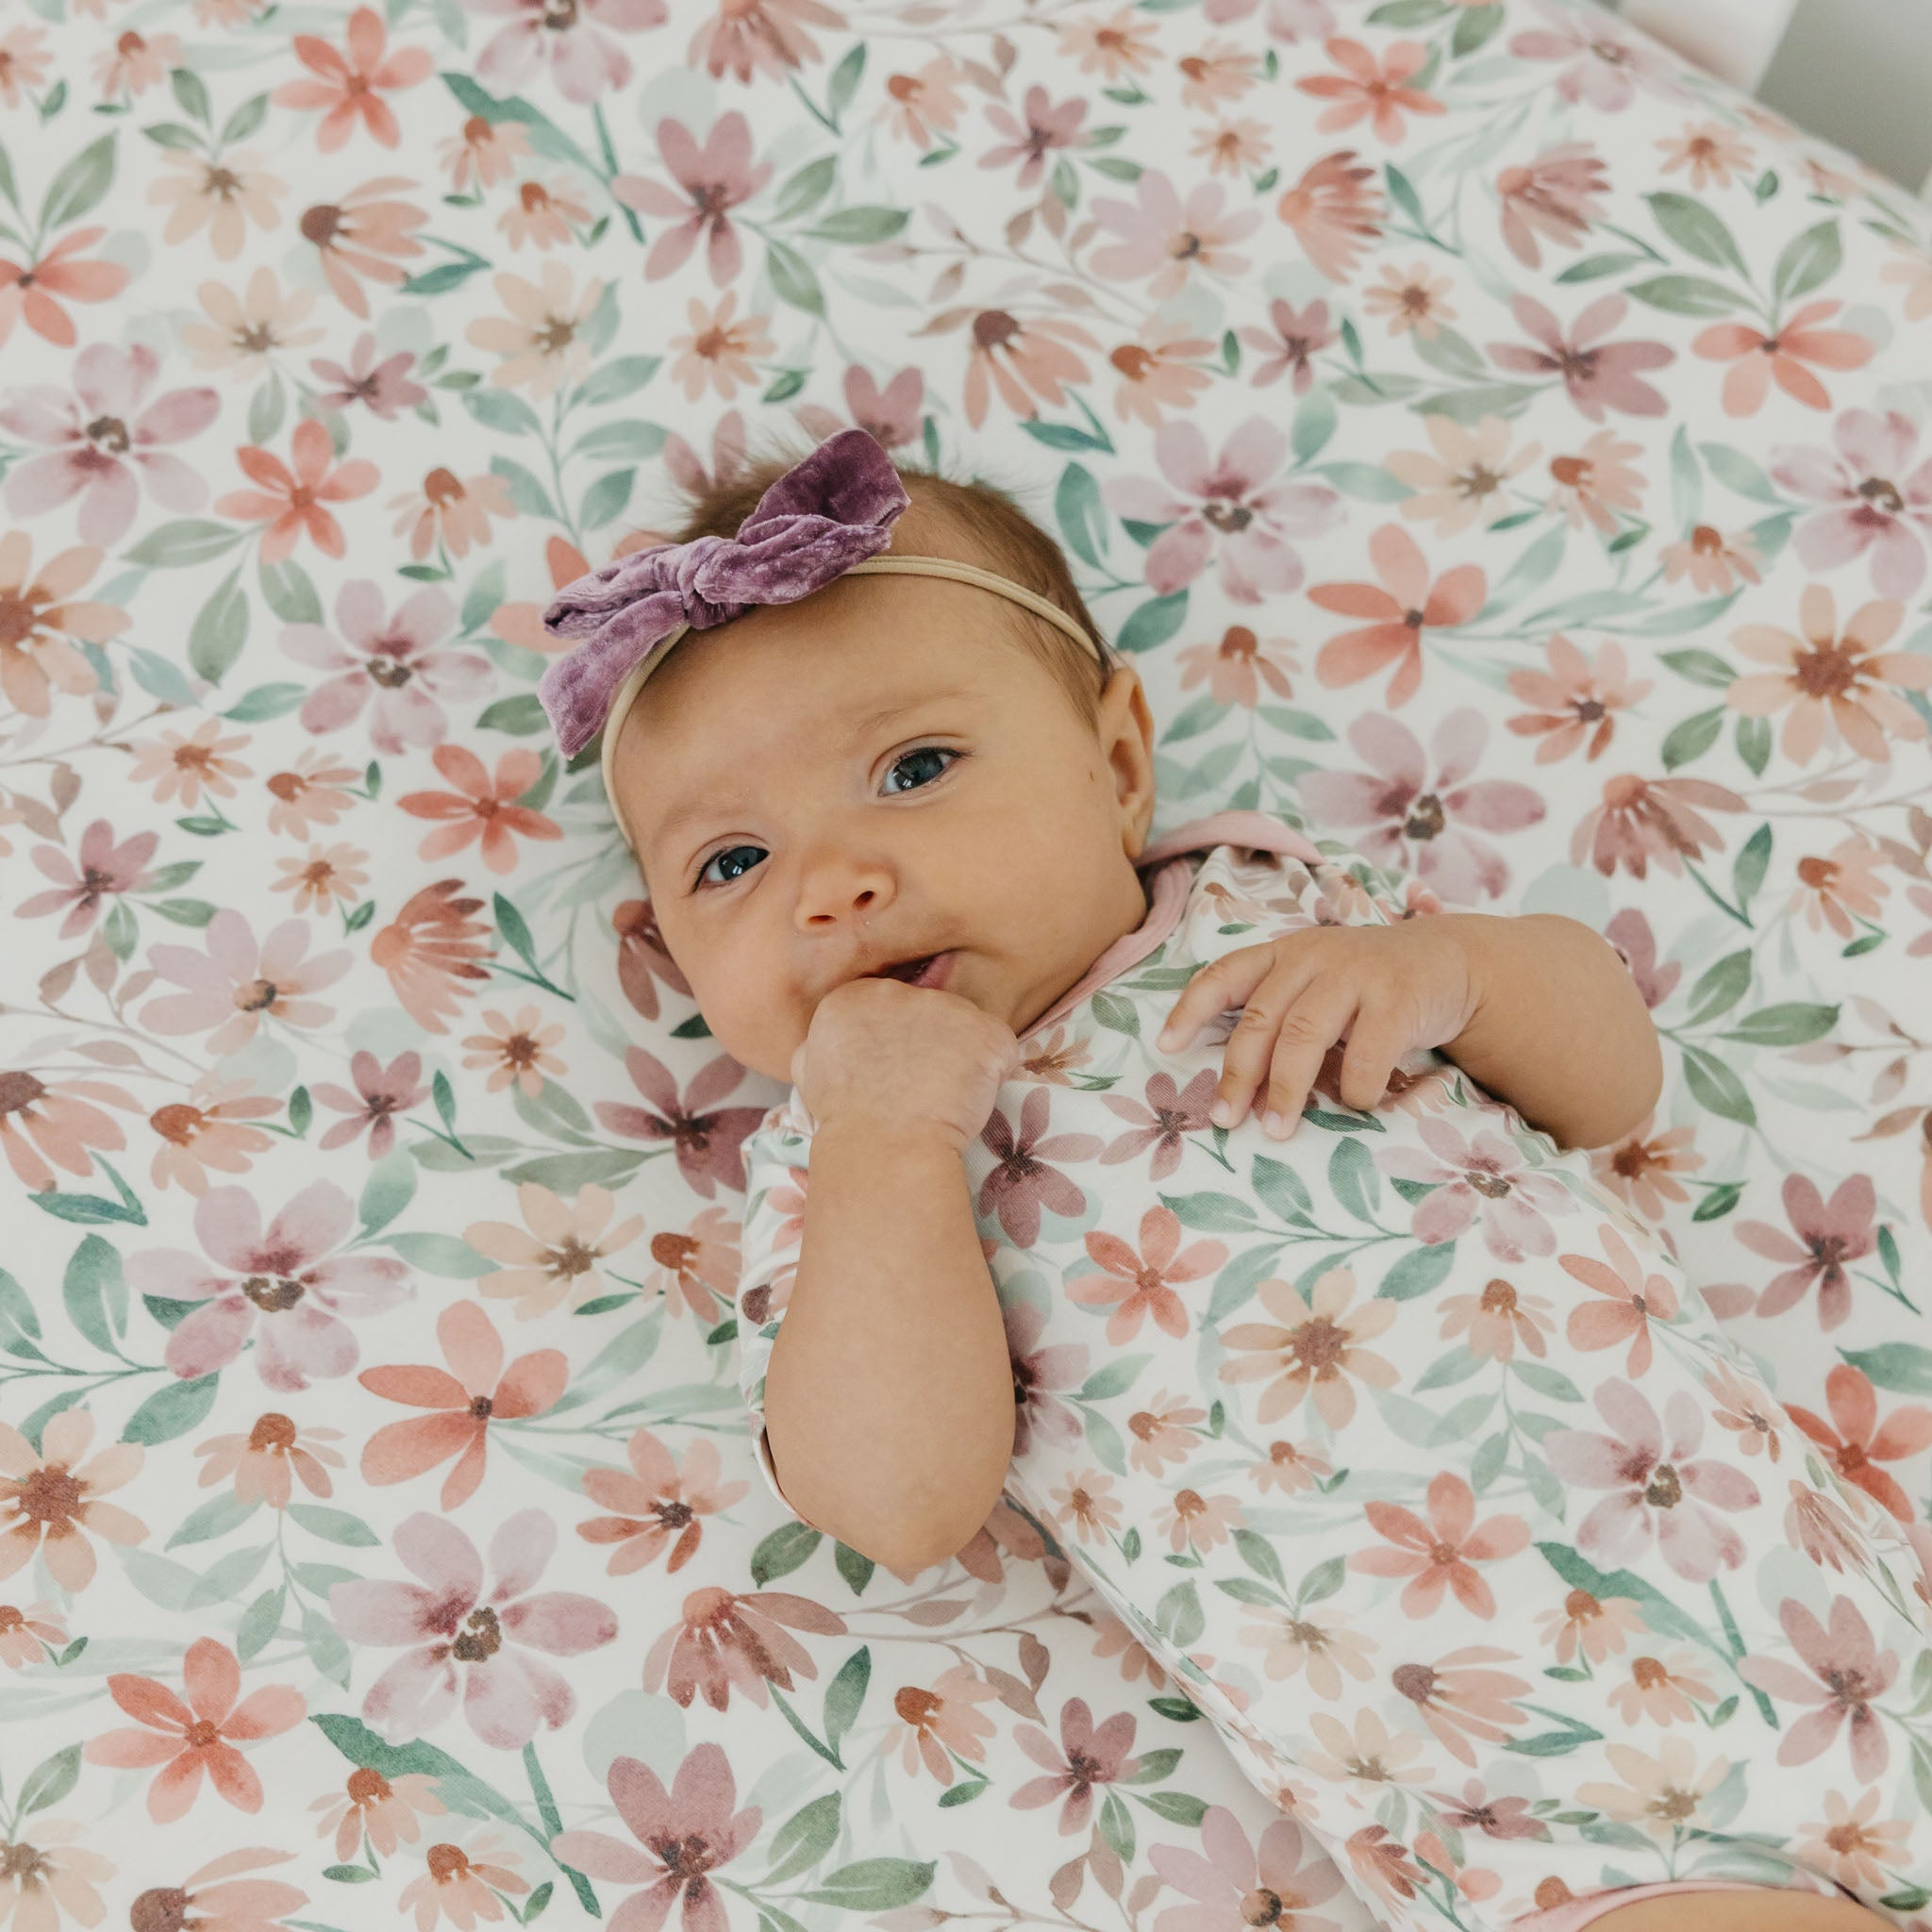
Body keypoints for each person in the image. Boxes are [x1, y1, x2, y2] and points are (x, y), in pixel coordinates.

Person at [538, 427, 1931, 1932]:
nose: (834, 883)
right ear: (667, 957)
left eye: (915, 769)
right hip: (1544, 1803)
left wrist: (1458, 972)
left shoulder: (1274, 907)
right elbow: (899, 1499)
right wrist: (886, 1142)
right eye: (732, 864)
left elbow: (1614, 1086)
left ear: (1117, 766)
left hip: (1818, 1597)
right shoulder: (838, 1171)